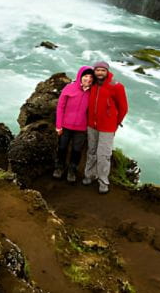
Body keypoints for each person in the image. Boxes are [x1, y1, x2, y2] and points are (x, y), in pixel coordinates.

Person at [83, 61, 128, 194]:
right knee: (91, 151)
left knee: (103, 155)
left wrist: (115, 123)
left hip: (107, 127)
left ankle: (103, 181)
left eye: (103, 70)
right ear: (94, 71)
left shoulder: (116, 86)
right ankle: (89, 175)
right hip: (91, 124)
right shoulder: (93, 84)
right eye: (97, 70)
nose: (100, 73)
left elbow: (124, 108)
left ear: (107, 71)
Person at [54, 66, 94, 183]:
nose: (88, 79)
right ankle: (59, 168)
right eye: (86, 76)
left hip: (81, 128)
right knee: (62, 148)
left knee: (77, 150)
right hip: (65, 126)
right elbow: (60, 107)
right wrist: (58, 126)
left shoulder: (93, 92)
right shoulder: (69, 87)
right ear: (80, 76)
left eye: (91, 77)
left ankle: (72, 171)